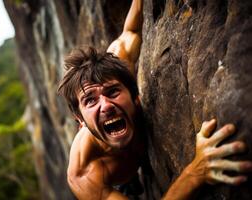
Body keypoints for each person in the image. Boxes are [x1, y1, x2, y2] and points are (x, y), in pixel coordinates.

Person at [58, 0, 252, 199]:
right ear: (79, 120)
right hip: (120, 180)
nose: (106, 106)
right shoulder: (84, 175)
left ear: (135, 94)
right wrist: (196, 172)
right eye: (90, 101)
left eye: (113, 92)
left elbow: (131, 31)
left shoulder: (118, 68)